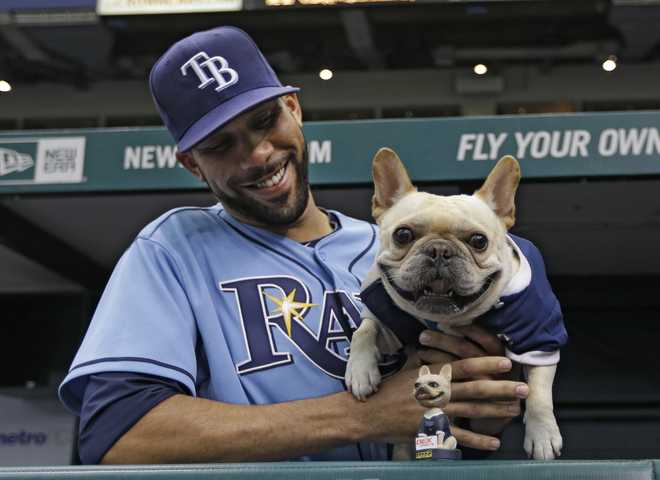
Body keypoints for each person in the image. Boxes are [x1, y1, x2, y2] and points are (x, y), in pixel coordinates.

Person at [58, 26, 528, 464]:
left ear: (294, 110)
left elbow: (460, 421)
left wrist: (486, 398)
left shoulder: (387, 248)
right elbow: (116, 434)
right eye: (221, 146)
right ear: (192, 164)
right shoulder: (171, 250)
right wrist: (361, 416)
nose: (258, 154)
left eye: (265, 120)